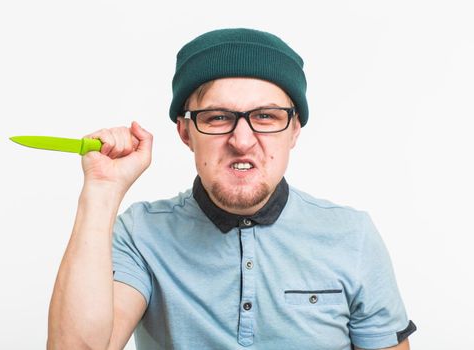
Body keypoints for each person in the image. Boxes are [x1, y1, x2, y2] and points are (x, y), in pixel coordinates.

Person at [47, 28, 416, 350]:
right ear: (185, 132)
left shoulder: (353, 236)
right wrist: (102, 190)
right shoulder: (141, 234)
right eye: (218, 117)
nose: (242, 140)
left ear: (294, 130)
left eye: (266, 116)